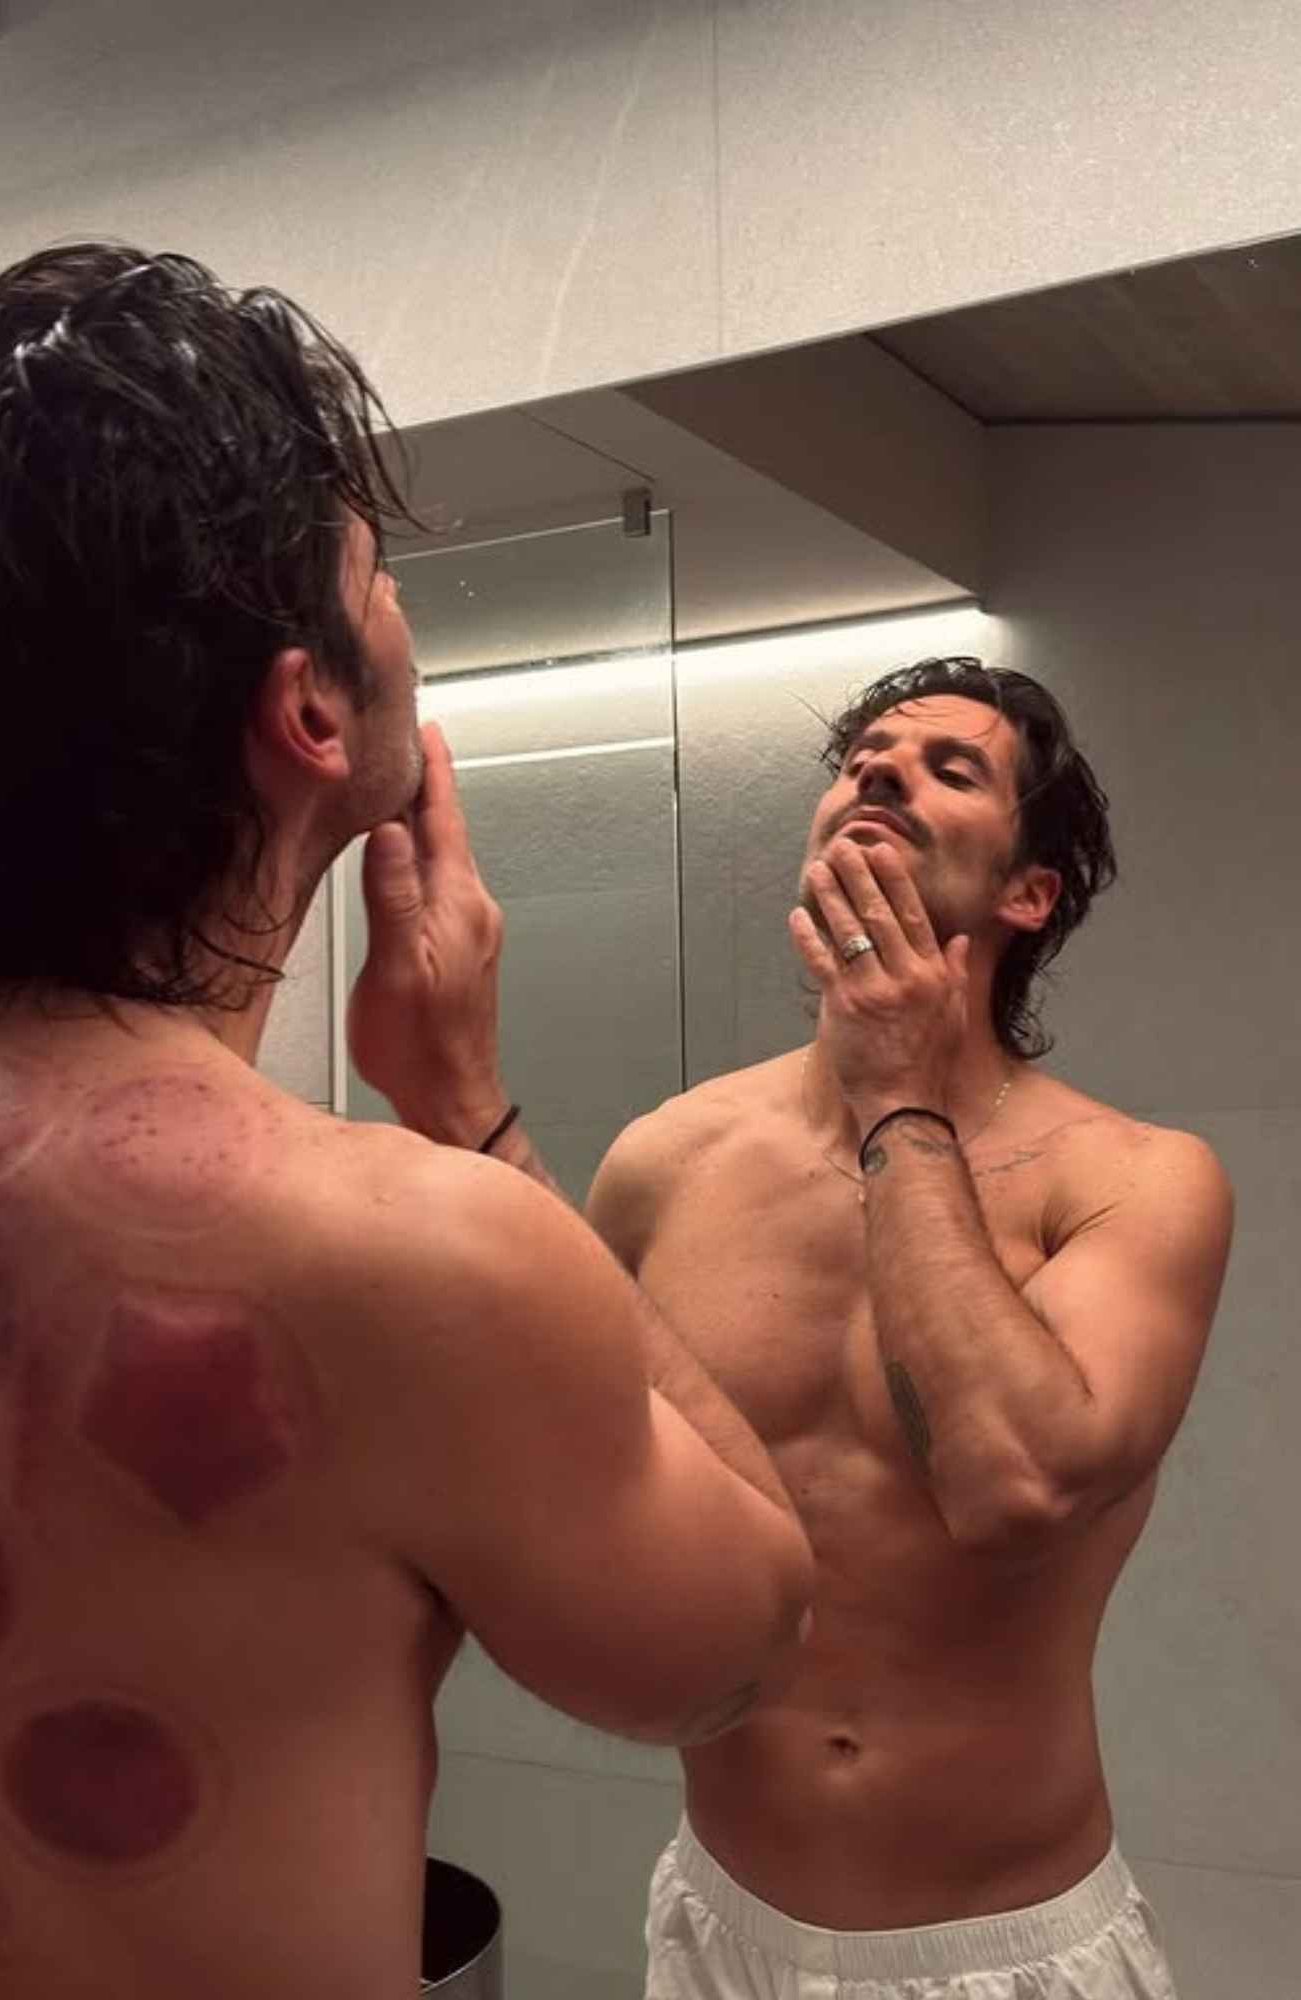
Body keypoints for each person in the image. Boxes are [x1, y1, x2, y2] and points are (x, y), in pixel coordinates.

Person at [0, 243, 814, 2000]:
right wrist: (465, 1106)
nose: (400, 619)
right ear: (309, 711)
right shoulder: (404, 1251)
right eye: (378, 580)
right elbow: (737, 1643)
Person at [398, 657, 1232, 2000]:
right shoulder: (672, 1155)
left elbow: (1015, 1485)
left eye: (950, 769)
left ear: (1027, 894)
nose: (881, 770)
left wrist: (897, 1093)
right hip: (718, 1926)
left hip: (1001, 1953)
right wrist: (461, 1104)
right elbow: (582, 1431)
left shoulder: (1135, 1181)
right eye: (861, 759)